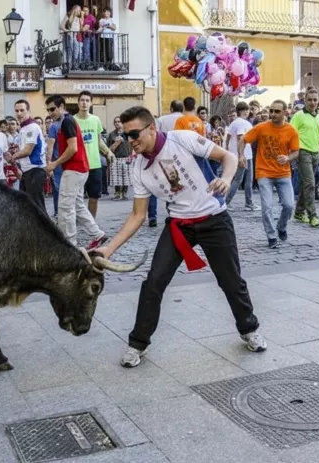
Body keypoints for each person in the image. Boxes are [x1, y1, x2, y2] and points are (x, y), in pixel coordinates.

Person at [94, 106, 266, 369]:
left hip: (214, 220)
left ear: (152, 128)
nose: (131, 141)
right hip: (179, 226)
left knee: (231, 281)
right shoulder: (138, 168)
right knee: (153, 283)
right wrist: (108, 250)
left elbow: (229, 157)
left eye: (134, 134)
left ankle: (248, 328)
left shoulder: (181, 139)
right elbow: (137, 215)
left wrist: (227, 179)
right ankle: (138, 343)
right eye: (127, 136)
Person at [44, 95, 107, 249]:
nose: (50, 112)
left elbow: (73, 148)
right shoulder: (66, 121)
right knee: (77, 205)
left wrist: (54, 164)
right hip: (79, 169)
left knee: (66, 208)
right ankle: (97, 234)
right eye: (48, 110)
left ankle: (69, 244)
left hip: (74, 169)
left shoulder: (66, 121)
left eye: (52, 109)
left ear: (61, 106)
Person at [239, 100, 300, 249]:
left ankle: (281, 226)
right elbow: (243, 139)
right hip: (264, 172)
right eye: (271, 111)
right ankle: (271, 236)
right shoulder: (261, 127)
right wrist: (240, 155)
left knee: (289, 205)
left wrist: (288, 158)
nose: (273, 114)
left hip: (283, 173)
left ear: (285, 112)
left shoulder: (291, 131)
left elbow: (296, 152)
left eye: (277, 111)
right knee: (267, 207)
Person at [290, 89, 319, 228]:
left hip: (315, 153)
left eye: (315, 100)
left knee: (305, 184)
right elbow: (291, 134)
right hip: (303, 152)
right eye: (310, 100)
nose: (313, 102)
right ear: (305, 100)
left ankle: (299, 212)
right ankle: (313, 215)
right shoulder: (299, 116)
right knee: (310, 184)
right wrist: (293, 153)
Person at [74, 90, 113, 217]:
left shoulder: (95, 120)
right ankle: (76, 221)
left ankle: (91, 222)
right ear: (78, 102)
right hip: (78, 166)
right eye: (82, 100)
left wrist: (108, 152)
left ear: (90, 103)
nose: (84, 103)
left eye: (87, 100)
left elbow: (99, 141)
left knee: (94, 197)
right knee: (76, 198)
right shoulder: (72, 121)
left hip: (95, 165)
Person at [10, 100, 47, 212]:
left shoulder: (32, 127)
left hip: (35, 170)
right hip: (27, 171)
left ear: (29, 111)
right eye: (17, 111)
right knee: (26, 205)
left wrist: (13, 157)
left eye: (22, 110)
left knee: (37, 205)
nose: (19, 113)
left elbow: (28, 150)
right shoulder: (23, 128)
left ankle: (45, 228)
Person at [224, 102, 259, 210]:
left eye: (248, 110)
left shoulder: (235, 122)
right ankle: (225, 202)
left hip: (243, 154)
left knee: (248, 180)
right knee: (239, 180)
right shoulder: (242, 123)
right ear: (241, 111)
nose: (248, 112)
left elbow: (228, 138)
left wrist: (229, 150)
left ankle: (249, 203)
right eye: (246, 110)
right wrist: (241, 155)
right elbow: (240, 138)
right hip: (244, 155)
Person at [107, 116, 133, 200]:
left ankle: (124, 193)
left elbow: (132, 145)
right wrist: (116, 143)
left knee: (126, 177)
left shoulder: (127, 133)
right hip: (115, 158)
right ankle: (117, 193)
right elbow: (109, 149)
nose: (117, 123)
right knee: (116, 177)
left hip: (126, 158)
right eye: (115, 122)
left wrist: (131, 155)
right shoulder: (111, 134)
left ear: (122, 123)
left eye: (119, 121)